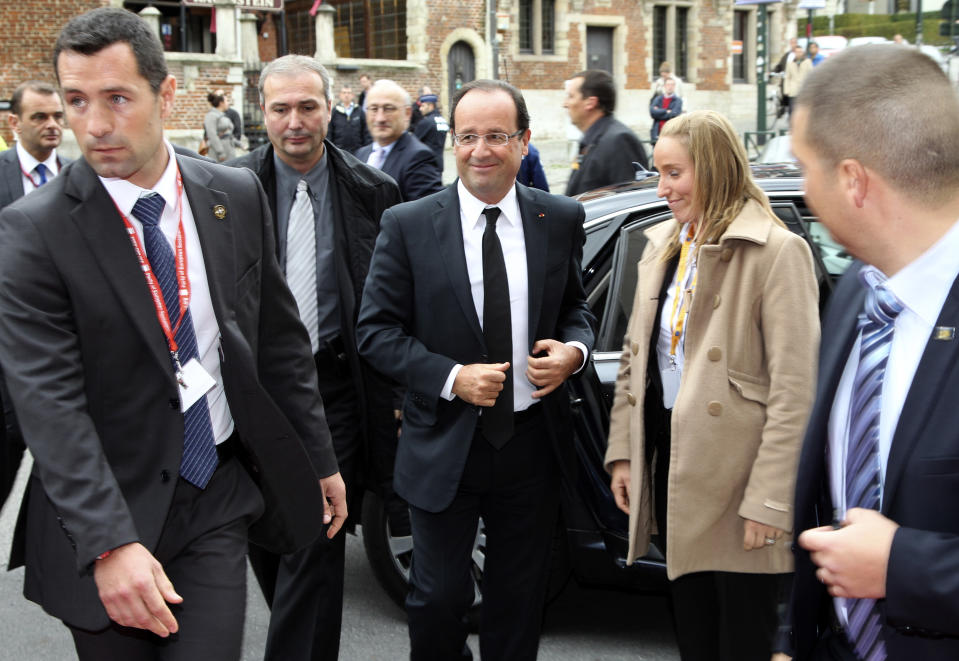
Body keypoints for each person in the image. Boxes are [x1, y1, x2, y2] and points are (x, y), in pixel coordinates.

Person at [0, 8, 346, 660]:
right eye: (76, 100)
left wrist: (318, 457)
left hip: (213, 495)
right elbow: (47, 403)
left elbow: (277, 343)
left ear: (164, 95)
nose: (93, 124)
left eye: (116, 98)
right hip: (102, 506)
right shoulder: (32, 232)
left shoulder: (234, 193)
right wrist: (107, 540)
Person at [356, 78, 594, 661]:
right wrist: (450, 376)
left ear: (523, 142)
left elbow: (575, 309)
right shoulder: (409, 223)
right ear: (451, 142)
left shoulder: (558, 217)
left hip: (531, 445)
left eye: (496, 136)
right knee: (437, 600)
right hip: (442, 443)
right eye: (467, 136)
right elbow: (375, 332)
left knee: (517, 603)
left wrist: (574, 354)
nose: (480, 150)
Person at [604, 110, 819, 661]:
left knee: (742, 640)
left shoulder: (777, 252)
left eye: (675, 173)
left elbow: (795, 391)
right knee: (694, 636)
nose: (663, 188)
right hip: (674, 459)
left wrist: (770, 501)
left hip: (741, 475)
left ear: (716, 169)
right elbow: (636, 360)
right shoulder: (664, 245)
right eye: (659, 173)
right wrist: (624, 455)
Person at [227, 54, 400, 661]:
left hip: (337, 392)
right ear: (263, 113)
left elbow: (391, 303)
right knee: (270, 540)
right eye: (281, 108)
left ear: (331, 109)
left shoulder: (374, 192)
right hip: (251, 395)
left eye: (308, 106)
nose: (295, 121)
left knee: (316, 538)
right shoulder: (225, 188)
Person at [790, 44, 959, 660]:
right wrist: (792, 638)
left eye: (804, 168)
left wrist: (901, 566)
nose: (803, 191)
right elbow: (823, 500)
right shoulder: (855, 295)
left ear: (853, 181)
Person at [0, 80, 70, 511]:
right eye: (40, 117)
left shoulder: (83, 179)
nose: (52, 125)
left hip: (65, 358)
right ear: (14, 123)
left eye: (59, 116)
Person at [355, 79, 443, 201]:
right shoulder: (361, 155)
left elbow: (426, 215)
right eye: (374, 109)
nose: (380, 118)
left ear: (407, 113)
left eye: (389, 108)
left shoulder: (419, 158)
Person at [564, 69, 648, 196]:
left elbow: (630, 200)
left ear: (590, 102)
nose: (565, 104)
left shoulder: (620, 141)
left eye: (571, 96)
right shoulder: (591, 139)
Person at [327, 84, 370, 153]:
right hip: (339, 153)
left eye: (349, 93)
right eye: (344, 93)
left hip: (357, 153)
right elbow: (329, 134)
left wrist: (365, 151)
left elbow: (366, 132)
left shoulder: (359, 111)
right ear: (340, 95)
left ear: (352, 95)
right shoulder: (334, 112)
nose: (346, 95)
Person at [413, 92, 450, 172]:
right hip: (439, 164)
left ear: (430, 106)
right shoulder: (442, 120)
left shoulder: (426, 122)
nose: (420, 109)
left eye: (423, 106)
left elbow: (413, 143)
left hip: (426, 165)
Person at [649, 77, 683, 145]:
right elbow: (653, 113)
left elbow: (674, 114)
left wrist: (659, 112)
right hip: (657, 133)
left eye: (672, 85)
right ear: (664, 86)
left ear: (674, 86)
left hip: (671, 134)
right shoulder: (658, 99)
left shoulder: (678, 100)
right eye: (668, 85)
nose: (670, 87)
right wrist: (666, 111)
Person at [204, 90, 235, 162]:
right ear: (221, 103)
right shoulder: (211, 115)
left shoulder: (223, 115)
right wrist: (221, 153)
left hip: (228, 151)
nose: (228, 103)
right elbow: (212, 135)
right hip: (218, 155)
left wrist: (240, 144)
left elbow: (229, 133)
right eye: (227, 101)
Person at [783, 44, 812, 117]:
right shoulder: (790, 63)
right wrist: (786, 90)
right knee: (792, 110)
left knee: (803, 110)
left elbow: (811, 74)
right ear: (794, 53)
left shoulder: (807, 62)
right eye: (797, 52)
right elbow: (787, 77)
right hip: (793, 90)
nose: (799, 53)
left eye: (800, 52)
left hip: (804, 89)